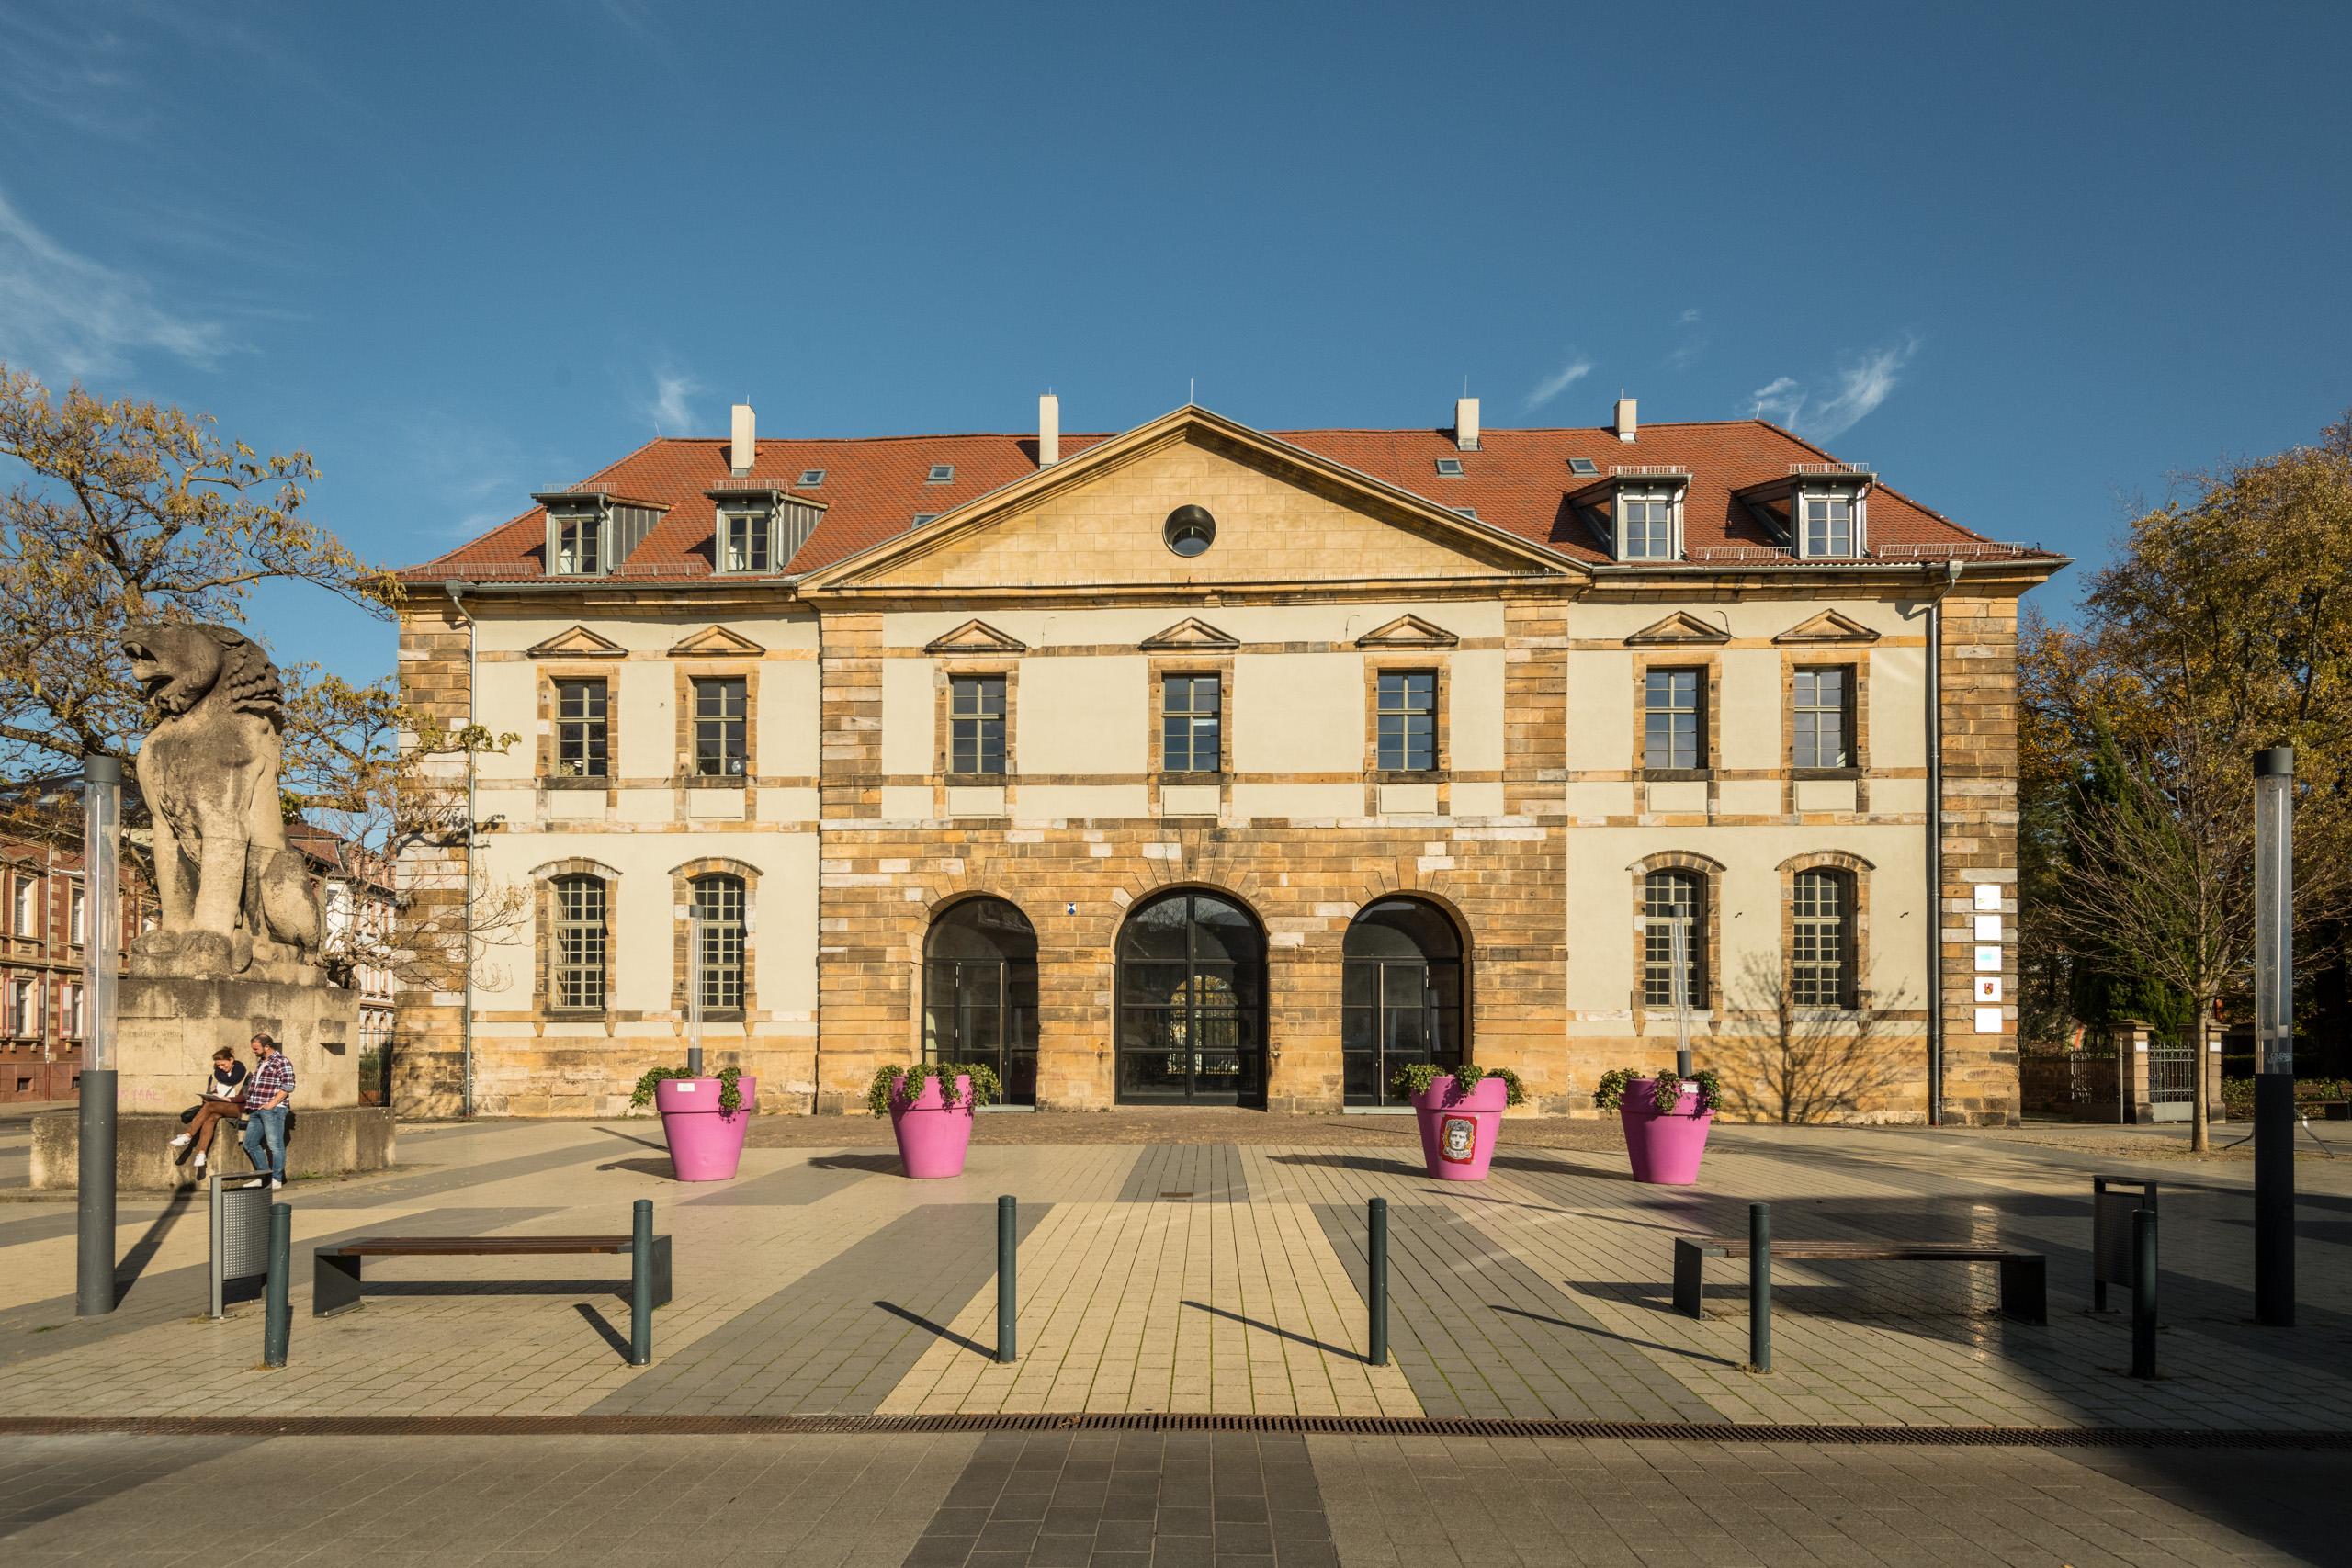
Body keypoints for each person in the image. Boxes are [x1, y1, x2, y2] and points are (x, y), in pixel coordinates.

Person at [167, 1045, 249, 1171]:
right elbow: (211, 1091)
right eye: (218, 1065)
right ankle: (201, 1154)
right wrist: (210, 1096)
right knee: (210, 1118)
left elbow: (246, 1096)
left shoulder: (245, 1074)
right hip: (219, 1106)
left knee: (210, 1106)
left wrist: (229, 1099)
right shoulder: (216, 1075)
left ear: (231, 1060)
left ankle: (188, 1135)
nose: (221, 1067)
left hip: (236, 1107)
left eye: (223, 1064)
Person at [238, 1032, 296, 1190]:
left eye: (256, 1048)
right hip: (256, 1108)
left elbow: (288, 1086)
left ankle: (276, 1179)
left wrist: (272, 1104)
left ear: (267, 1047)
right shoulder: (262, 1061)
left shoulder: (281, 1061)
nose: (253, 1051)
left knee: (275, 1145)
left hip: (274, 1110)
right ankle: (264, 1177)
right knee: (249, 1143)